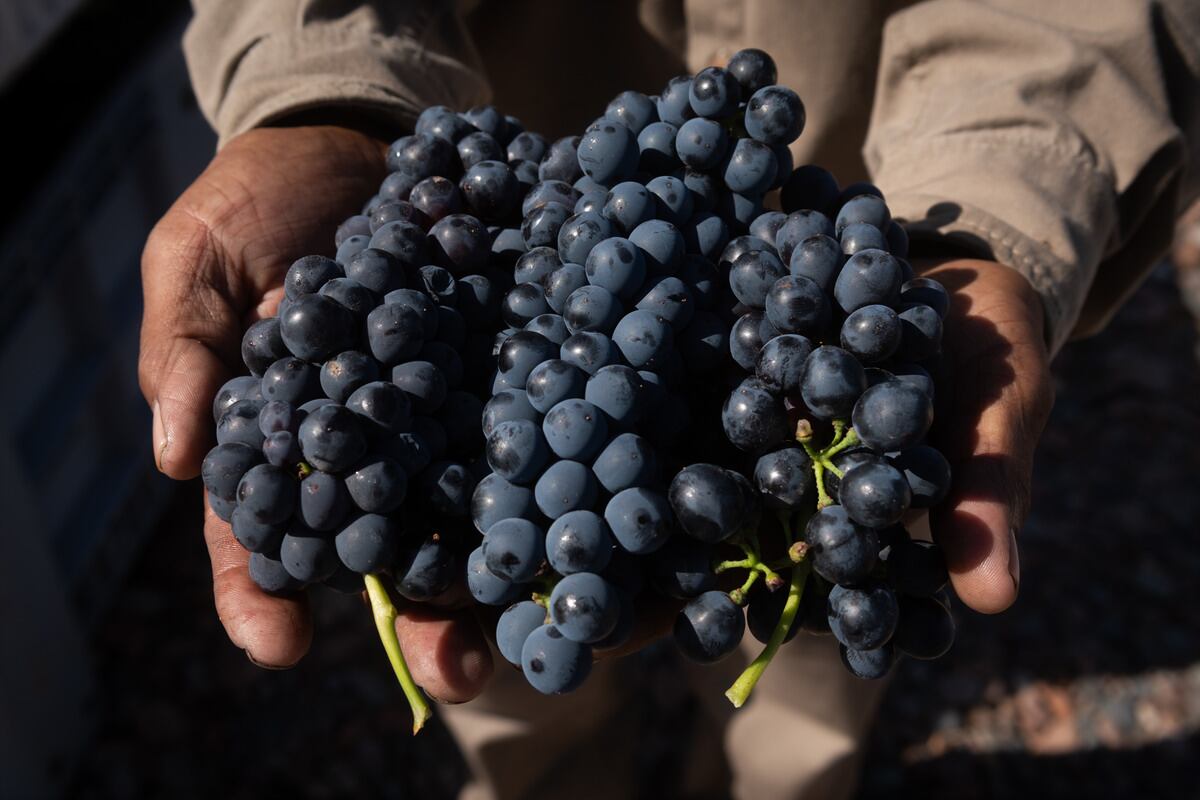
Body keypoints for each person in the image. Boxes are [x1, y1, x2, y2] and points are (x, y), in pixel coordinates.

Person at [138, 1, 1200, 797]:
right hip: (483, 256)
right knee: (502, 655)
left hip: (825, 251)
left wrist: (1004, 194)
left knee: (812, 663)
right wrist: (323, 84)